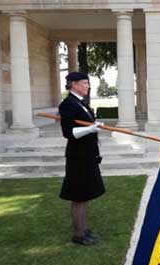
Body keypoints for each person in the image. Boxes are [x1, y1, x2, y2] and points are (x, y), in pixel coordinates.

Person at [59, 71, 105, 246]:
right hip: (77, 157)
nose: (88, 86)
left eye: (87, 83)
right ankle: (78, 235)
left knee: (85, 194)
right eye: (84, 83)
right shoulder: (68, 104)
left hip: (87, 155)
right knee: (78, 195)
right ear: (73, 84)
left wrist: (92, 127)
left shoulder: (80, 103)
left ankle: (84, 229)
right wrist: (91, 128)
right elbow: (68, 132)